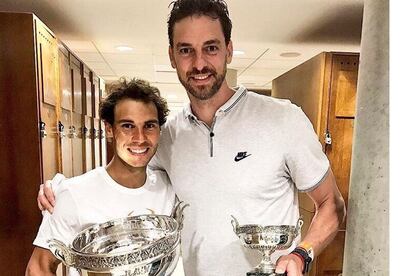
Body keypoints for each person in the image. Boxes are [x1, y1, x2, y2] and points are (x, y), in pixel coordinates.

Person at [38, 0, 346, 275]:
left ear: (229, 49)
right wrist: (63, 189)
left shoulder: (283, 119)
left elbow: (332, 204)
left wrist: (301, 253)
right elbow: (126, 181)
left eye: (210, 47)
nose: (199, 64)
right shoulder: (167, 135)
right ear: (172, 56)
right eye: (186, 50)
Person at [26, 78, 176, 276]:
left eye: (149, 125)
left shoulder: (168, 187)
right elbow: (38, 267)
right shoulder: (73, 194)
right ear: (109, 129)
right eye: (128, 126)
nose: (140, 138)